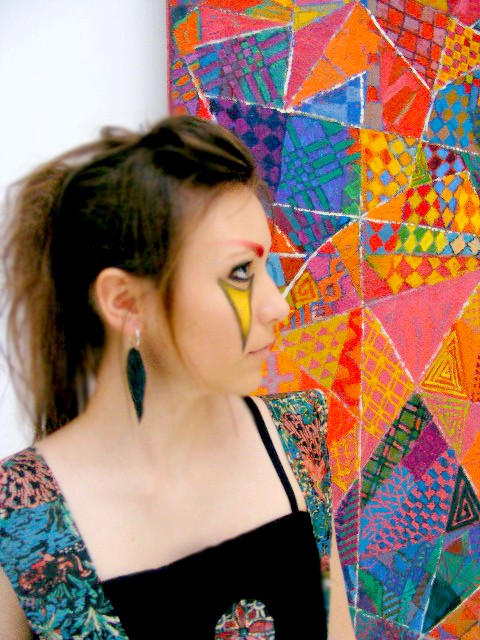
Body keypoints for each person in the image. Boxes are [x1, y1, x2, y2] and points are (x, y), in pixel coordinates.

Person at [0, 115, 352, 639]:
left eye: (266, 267)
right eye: (240, 273)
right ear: (126, 303)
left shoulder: (296, 435)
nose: (278, 305)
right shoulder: (21, 513)